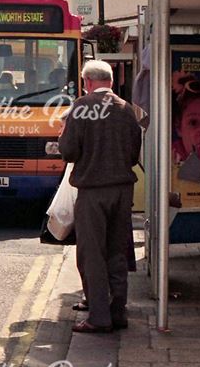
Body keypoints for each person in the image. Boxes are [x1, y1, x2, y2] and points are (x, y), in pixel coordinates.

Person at [59, 60, 143, 333]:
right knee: (117, 251)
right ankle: (118, 312)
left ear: (87, 82)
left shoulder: (82, 107)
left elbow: (69, 151)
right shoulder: (126, 109)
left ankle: (98, 316)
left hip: (93, 191)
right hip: (122, 189)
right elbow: (133, 154)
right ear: (110, 81)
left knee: (92, 253)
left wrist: (63, 131)